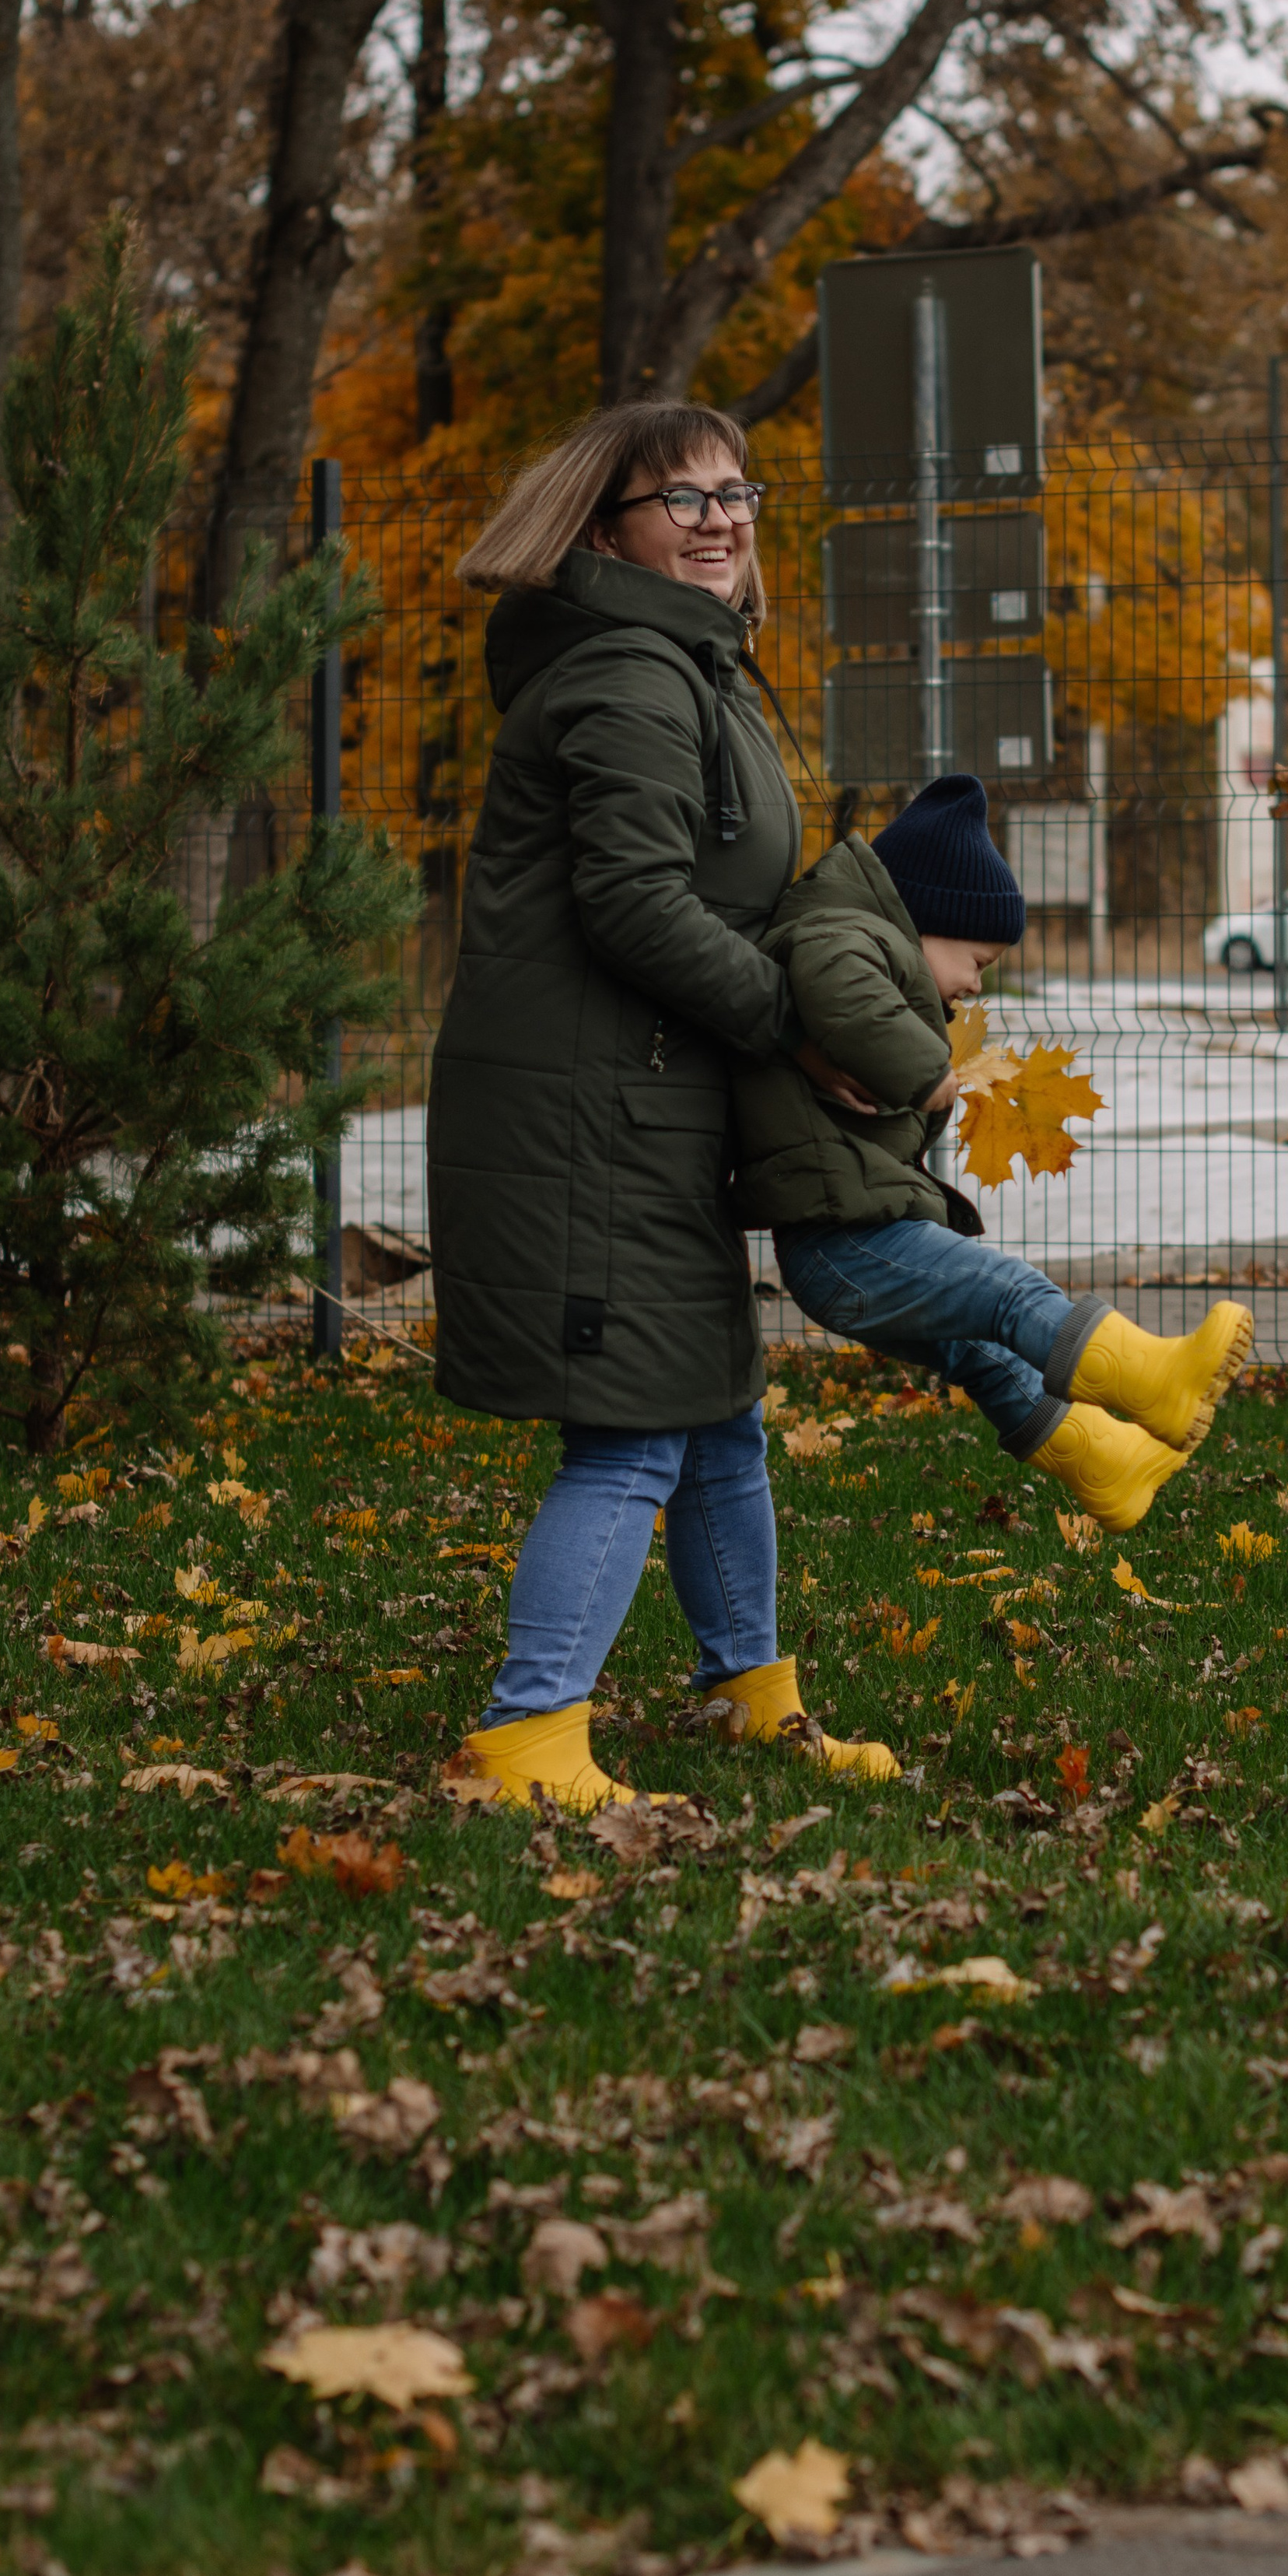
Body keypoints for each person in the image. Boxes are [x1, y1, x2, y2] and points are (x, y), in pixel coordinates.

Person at [428, 400, 899, 1813]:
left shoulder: (691, 668)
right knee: (633, 1430)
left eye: (736, 492)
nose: (722, 519)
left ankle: (751, 1696)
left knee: (714, 1410)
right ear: (603, 532)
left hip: (645, 1101)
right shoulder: (631, 675)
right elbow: (635, 905)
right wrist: (798, 1034)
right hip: (587, 1116)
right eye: (681, 500)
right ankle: (526, 1746)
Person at [731, 774, 1252, 1529]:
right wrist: (927, 1072)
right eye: (975, 960)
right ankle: (1146, 1376)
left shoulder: (861, 941)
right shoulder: (838, 936)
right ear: (921, 919)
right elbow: (845, 995)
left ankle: (1100, 1462)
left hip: (845, 1243)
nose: (975, 986)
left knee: (981, 1349)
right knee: (1008, 1295)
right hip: (846, 1243)